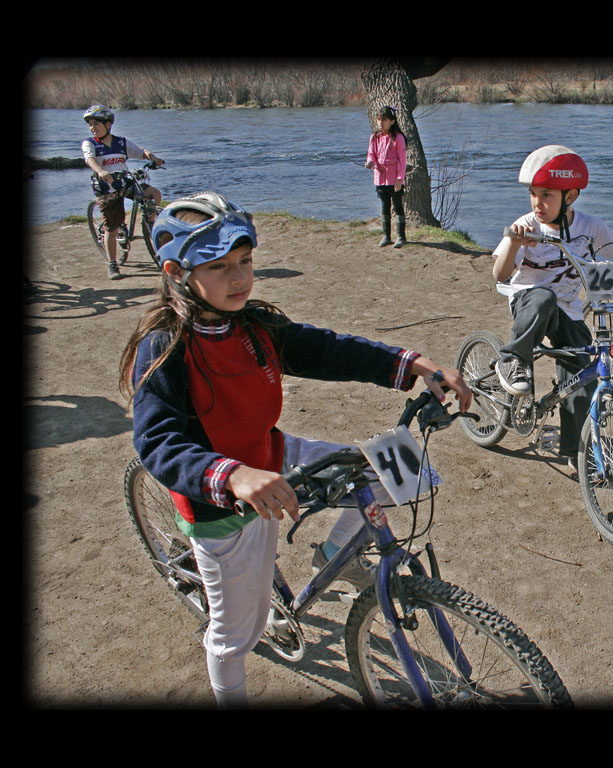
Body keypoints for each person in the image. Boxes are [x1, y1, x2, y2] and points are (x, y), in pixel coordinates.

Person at [119, 192, 470, 708]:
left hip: (274, 453)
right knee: (239, 630)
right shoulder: (164, 347)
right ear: (176, 271)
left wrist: (414, 364)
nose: (239, 278)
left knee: (408, 475)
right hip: (221, 503)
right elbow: (158, 441)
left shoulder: (255, 325)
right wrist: (233, 476)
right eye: (219, 267)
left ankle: (333, 556)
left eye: (245, 261)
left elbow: (328, 349)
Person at [492, 145, 613, 468]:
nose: (537, 204)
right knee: (544, 297)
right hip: (530, 301)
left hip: (567, 308)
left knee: (585, 370)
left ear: (570, 197)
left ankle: (572, 450)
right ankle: (512, 359)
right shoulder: (526, 225)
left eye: (547, 196)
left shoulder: (588, 226)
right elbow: (499, 273)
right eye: (534, 194)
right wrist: (514, 240)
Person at [81, 105, 163, 280]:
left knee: (154, 194)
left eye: (96, 123)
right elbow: (89, 159)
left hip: (125, 183)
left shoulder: (121, 142)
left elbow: (142, 152)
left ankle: (149, 221)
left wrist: (153, 158)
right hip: (106, 188)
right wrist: (101, 171)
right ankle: (112, 264)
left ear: (108, 124)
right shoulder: (90, 143)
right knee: (112, 226)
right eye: (90, 124)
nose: (92, 127)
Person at [365, 105, 408, 248]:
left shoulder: (399, 138)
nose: (380, 123)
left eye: (384, 120)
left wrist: (399, 179)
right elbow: (371, 153)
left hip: (394, 178)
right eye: (379, 120)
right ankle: (386, 236)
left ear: (392, 121)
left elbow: (402, 160)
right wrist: (370, 162)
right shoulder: (374, 137)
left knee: (397, 206)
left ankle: (401, 236)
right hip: (380, 178)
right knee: (384, 207)